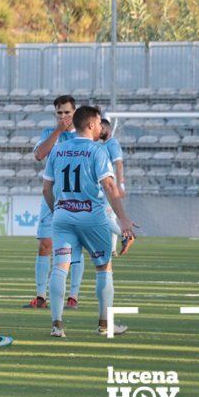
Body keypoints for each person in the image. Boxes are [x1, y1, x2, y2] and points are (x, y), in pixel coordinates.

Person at [42, 105, 138, 338]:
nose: (100, 127)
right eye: (98, 123)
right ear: (91, 124)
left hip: (63, 217)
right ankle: (105, 325)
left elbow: (47, 188)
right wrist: (124, 221)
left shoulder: (58, 149)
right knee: (103, 267)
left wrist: (59, 210)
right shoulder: (97, 150)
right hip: (92, 218)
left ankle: (57, 325)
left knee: (59, 268)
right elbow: (108, 185)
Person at [24, 95, 77, 309]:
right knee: (45, 244)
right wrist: (57, 131)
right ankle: (40, 297)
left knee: (74, 248)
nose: (63, 116)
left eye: (67, 112)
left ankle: (72, 296)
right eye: (59, 113)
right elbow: (39, 154)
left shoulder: (82, 135)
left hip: (75, 197)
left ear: (75, 112)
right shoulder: (49, 133)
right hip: (51, 197)